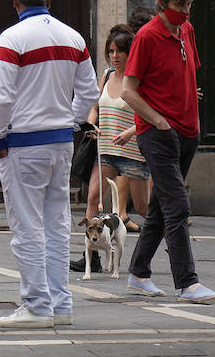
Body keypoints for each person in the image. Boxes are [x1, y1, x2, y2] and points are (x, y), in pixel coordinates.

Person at [0, 0, 100, 327]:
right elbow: (88, 93)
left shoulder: (11, 39)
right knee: (56, 223)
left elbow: (1, 98)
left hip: (22, 143)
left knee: (27, 227)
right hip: (60, 142)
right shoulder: (74, 38)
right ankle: (60, 304)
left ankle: (37, 304)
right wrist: (72, 122)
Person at [122, 0, 215, 303]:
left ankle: (138, 273)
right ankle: (187, 283)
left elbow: (186, 76)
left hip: (188, 132)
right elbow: (128, 91)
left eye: (190, 3)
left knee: (162, 207)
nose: (187, 10)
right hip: (159, 135)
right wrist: (158, 121)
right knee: (177, 204)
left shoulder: (187, 31)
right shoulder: (147, 37)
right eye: (181, 4)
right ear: (162, 4)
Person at [70, 23, 151, 273]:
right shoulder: (106, 76)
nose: (114, 56)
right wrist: (91, 125)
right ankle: (91, 257)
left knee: (144, 208)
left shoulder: (140, 80)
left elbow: (151, 114)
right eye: (111, 51)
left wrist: (129, 132)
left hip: (132, 152)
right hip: (104, 150)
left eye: (120, 51)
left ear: (130, 53)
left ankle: (166, 244)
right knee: (93, 198)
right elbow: (95, 106)